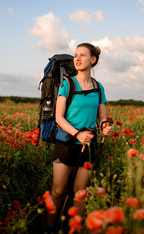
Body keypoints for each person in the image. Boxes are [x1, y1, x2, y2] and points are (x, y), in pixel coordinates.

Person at [46, 43, 113, 231]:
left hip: (88, 146)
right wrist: (77, 133)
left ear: (93, 60)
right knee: (58, 192)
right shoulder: (67, 84)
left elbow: (101, 118)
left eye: (82, 55)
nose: (77, 58)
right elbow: (58, 117)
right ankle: (50, 226)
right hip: (66, 143)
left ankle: (74, 227)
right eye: (76, 55)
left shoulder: (99, 87)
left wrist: (105, 126)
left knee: (80, 193)